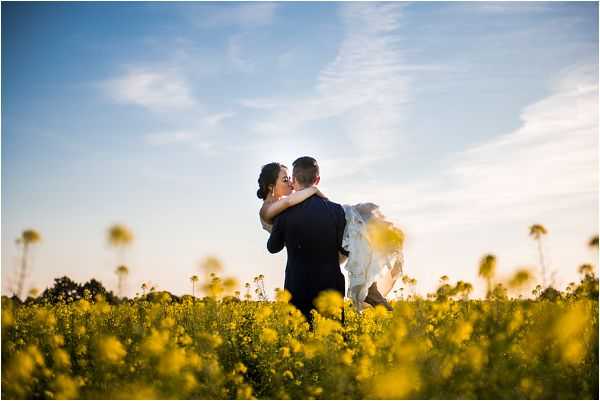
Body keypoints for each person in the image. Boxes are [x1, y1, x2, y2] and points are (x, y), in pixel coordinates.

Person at [257, 157, 404, 316]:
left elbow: (273, 247)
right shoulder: (337, 212)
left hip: (297, 288)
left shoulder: (284, 214)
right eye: (285, 180)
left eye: (289, 179)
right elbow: (347, 247)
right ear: (317, 179)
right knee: (333, 338)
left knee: (300, 337)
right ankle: (373, 293)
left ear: (295, 178)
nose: (290, 183)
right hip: (331, 289)